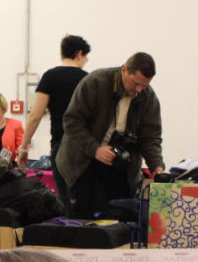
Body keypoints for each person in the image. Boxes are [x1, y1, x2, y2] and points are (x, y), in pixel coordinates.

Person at [56, 52, 165, 219]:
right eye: (136, 83)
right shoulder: (95, 82)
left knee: (119, 218)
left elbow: (150, 138)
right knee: (84, 219)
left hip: (120, 166)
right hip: (82, 162)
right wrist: (95, 149)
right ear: (124, 70)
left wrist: (156, 166)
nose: (139, 90)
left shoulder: (148, 97)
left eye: (144, 85)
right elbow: (72, 122)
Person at [16, 35, 90, 214]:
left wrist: (24, 147)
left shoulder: (50, 77)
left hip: (60, 146)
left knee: (64, 202)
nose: (85, 61)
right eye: (85, 57)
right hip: (84, 148)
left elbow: (35, 116)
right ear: (79, 54)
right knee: (84, 203)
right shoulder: (88, 80)